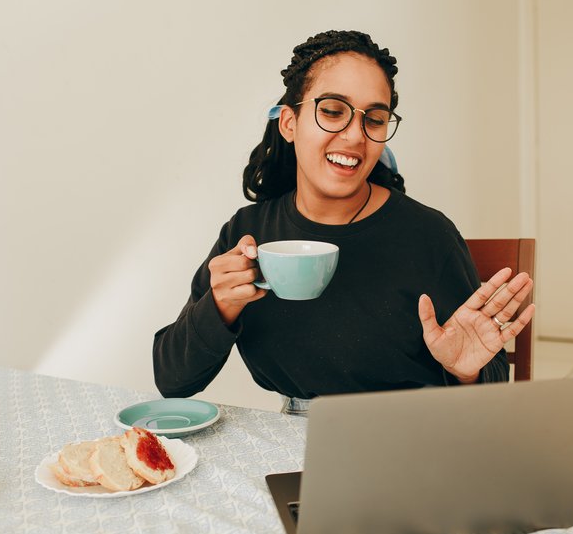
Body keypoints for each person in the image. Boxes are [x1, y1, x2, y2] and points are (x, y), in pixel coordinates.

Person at [152, 30, 534, 414]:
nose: (355, 136)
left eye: (375, 118)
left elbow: (490, 381)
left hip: (413, 437)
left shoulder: (428, 236)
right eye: (333, 110)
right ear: (289, 122)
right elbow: (173, 381)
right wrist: (218, 305)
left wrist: (464, 373)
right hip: (291, 437)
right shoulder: (248, 233)